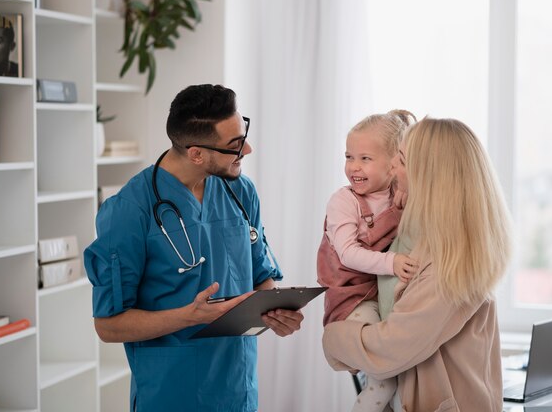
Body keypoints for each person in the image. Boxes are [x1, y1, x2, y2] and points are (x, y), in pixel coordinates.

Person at [84, 84, 304, 412]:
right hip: (171, 393)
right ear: (196, 153)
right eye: (235, 145)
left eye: (243, 136)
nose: (248, 150)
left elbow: (262, 278)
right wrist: (187, 317)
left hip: (237, 388)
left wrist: (273, 314)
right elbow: (108, 325)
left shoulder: (240, 192)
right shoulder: (130, 210)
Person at [322, 117, 512, 412]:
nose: (393, 168)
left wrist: (332, 338)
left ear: (429, 175)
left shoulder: (449, 264)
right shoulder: (426, 233)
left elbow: (392, 347)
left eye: (401, 160)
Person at [317, 110, 418, 412]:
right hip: (351, 298)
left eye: (365, 159)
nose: (353, 167)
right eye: (349, 157)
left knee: (402, 379)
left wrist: (406, 193)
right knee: (385, 378)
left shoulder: (396, 195)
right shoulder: (344, 201)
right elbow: (347, 252)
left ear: (394, 165)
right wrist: (393, 263)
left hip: (378, 295)